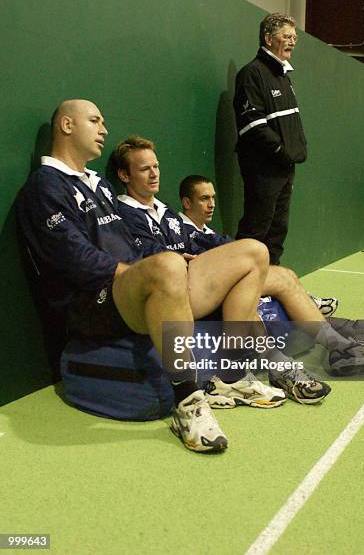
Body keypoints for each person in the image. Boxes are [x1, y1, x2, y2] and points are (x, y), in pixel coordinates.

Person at [17, 99, 281, 455]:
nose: (104, 130)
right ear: (66, 126)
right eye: (95, 121)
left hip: (137, 286)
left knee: (253, 252)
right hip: (93, 301)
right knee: (167, 265)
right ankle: (188, 404)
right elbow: (70, 256)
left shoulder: (98, 184)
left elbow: (128, 244)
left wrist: (171, 265)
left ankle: (230, 377)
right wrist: (148, 270)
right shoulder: (45, 186)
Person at [109, 136, 364, 404]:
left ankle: (338, 348)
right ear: (125, 176)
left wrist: (228, 256)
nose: (154, 173)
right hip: (175, 290)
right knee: (253, 255)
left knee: (283, 277)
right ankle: (264, 364)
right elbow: (144, 259)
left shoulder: (166, 212)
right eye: (144, 169)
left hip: (200, 277)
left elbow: (208, 241)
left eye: (156, 166)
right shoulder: (124, 214)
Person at [179, 174, 364, 347]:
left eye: (213, 198)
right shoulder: (180, 230)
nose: (211, 204)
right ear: (187, 203)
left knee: (288, 284)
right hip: (214, 297)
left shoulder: (208, 231)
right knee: (287, 295)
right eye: (204, 198)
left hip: (234, 288)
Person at [233, 12, 306, 265]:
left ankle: (269, 291)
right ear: (268, 38)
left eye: (294, 37)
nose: (292, 41)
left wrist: (293, 154)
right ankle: (237, 289)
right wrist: (280, 151)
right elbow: (253, 124)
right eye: (286, 36)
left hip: (284, 168)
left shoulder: (284, 77)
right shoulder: (251, 74)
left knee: (277, 232)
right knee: (256, 230)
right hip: (264, 167)